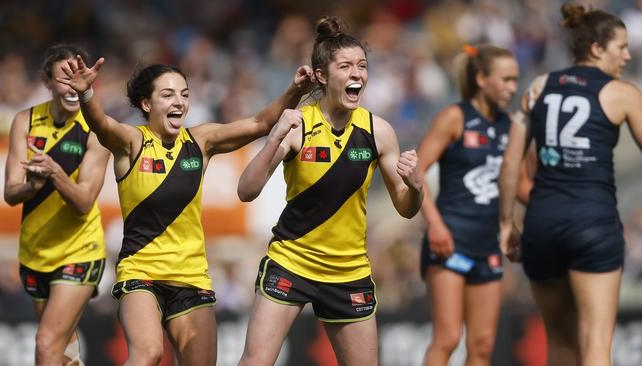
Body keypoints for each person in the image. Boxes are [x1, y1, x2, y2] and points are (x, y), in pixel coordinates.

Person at [56, 56, 314, 365]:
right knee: (148, 353)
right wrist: (86, 93)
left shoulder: (200, 142)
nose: (179, 101)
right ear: (146, 104)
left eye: (184, 94)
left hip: (191, 276)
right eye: (167, 95)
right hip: (141, 273)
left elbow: (260, 123)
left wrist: (296, 90)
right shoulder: (132, 142)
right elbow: (101, 123)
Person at [236, 16, 424, 366]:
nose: (357, 74)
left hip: (349, 271)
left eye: (362, 66)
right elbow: (246, 190)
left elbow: (406, 207)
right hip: (292, 261)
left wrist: (416, 187)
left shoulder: (378, 131)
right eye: (346, 66)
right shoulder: (298, 124)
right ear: (322, 76)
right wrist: (274, 136)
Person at [499, 3, 642, 365]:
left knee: (560, 346)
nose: (627, 54)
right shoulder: (622, 93)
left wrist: (505, 224)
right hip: (592, 224)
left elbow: (511, 161)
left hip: (542, 226)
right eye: (620, 46)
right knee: (596, 346)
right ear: (596, 48)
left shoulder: (538, 86)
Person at [4, 44, 110, 366]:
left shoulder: (97, 129)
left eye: (78, 76)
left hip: (80, 249)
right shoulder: (26, 121)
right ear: (47, 82)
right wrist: (32, 187)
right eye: (64, 77)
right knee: (64, 349)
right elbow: (10, 193)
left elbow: (84, 202)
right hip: (36, 252)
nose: (72, 85)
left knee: (46, 342)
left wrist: (54, 173)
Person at [415, 44, 518, 366]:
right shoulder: (454, 118)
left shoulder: (512, 125)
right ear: (482, 78)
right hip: (450, 242)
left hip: (487, 243)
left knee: (483, 345)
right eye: (506, 79)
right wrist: (435, 224)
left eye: (516, 80)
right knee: (447, 339)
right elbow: (414, 172)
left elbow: (524, 183)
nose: (513, 87)